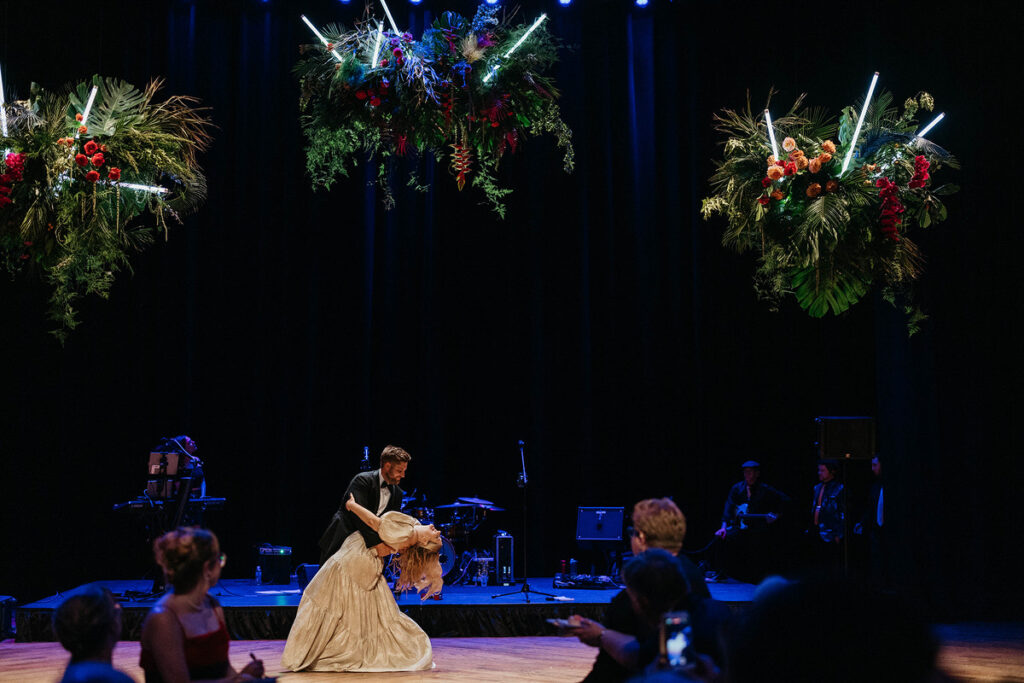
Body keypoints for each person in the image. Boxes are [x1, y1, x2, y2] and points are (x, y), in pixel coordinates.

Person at [281, 492, 443, 672]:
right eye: (438, 534)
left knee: (342, 606)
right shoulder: (414, 527)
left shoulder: (407, 535)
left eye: (435, 536)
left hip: (357, 560)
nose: (438, 531)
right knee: (359, 612)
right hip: (359, 557)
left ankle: (333, 652)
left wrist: (353, 506)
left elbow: (375, 523)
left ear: (424, 540)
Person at [574, 499, 722, 683]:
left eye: (632, 532)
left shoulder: (639, 590)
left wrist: (601, 635)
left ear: (642, 537)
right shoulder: (691, 573)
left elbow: (614, 669)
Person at [139, 528, 266, 682]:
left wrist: (246, 676)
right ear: (207, 568)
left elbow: (221, 669)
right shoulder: (163, 618)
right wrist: (239, 680)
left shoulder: (212, 605)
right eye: (220, 558)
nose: (222, 563)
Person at [317, 445, 411, 564]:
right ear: (387, 466)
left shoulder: (397, 493)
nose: (403, 475)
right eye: (399, 471)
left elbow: (390, 523)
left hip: (367, 549)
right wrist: (377, 544)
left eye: (404, 471)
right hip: (342, 539)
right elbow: (358, 517)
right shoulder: (362, 480)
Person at [710, 460, 789, 583]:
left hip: (757, 528)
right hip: (741, 528)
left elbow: (784, 500)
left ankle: (758, 577)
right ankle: (721, 573)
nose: (749, 476)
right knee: (722, 538)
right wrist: (723, 527)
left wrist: (776, 516)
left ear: (757, 474)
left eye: (752, 473)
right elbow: (728, 508)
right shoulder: (737, 489)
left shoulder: (765, 490)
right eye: (746, 473)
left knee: (759, 542)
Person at [52, 584, 134, 683]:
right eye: (117, 609)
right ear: (113, 625)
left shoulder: (66, 677)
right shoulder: (115, 679)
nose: (120, 611)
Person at [854, 454, 888, 589]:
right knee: (876, 560)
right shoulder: (875, 487)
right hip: (876, 531)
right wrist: (861, 522)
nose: (872, 468)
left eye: (875, 465)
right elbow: (870, 509)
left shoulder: (893, 486)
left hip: (889, 532)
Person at [810, 460, 845, 569]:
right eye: (819, 470)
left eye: (823, 471)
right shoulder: (817, 487)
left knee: (831, 563)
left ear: (831, 472)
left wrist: (839, 533)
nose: (819, 473)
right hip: (817, 530)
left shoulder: (839, 488)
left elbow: (842, 513)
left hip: (830, 532)